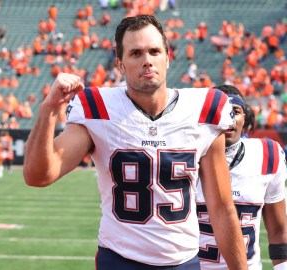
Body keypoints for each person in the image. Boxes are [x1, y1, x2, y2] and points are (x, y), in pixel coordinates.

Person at [23, 14, 247, 269]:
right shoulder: (99, 108)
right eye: (136, 53)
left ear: (167, 57)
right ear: (120, 64)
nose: (147, 61)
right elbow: (38, 175)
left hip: (182, 262)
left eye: (154, 51)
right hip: (120, 259)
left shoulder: (203, 109)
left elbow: (222, 208)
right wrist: (49, 110)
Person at [196, 85, 287, 269]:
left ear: (244, 117)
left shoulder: (267, 154)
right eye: (220, 112)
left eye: (235, 111)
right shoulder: (186, 157)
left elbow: (278, 230)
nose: (228, 119)